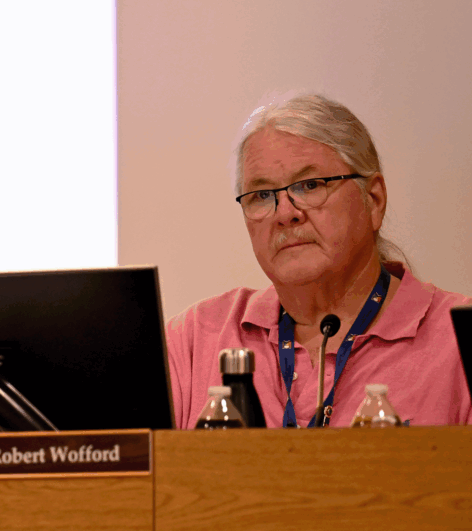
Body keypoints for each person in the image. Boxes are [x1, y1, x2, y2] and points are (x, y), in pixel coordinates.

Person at [165, 93, 471, 428]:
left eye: (310, 185)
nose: (286, 213)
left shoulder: (456, 341)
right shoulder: (195, 339)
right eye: (262, 195)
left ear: (374, 200)